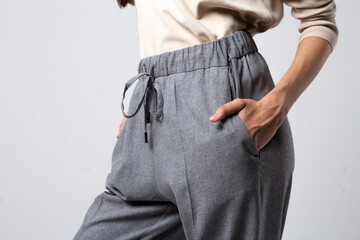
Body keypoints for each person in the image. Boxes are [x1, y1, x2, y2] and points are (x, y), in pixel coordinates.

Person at [73, 0, 339, 239]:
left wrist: (277, 105)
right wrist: (147, 100)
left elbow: (319, 18)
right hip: (150, 115)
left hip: (222, 105)